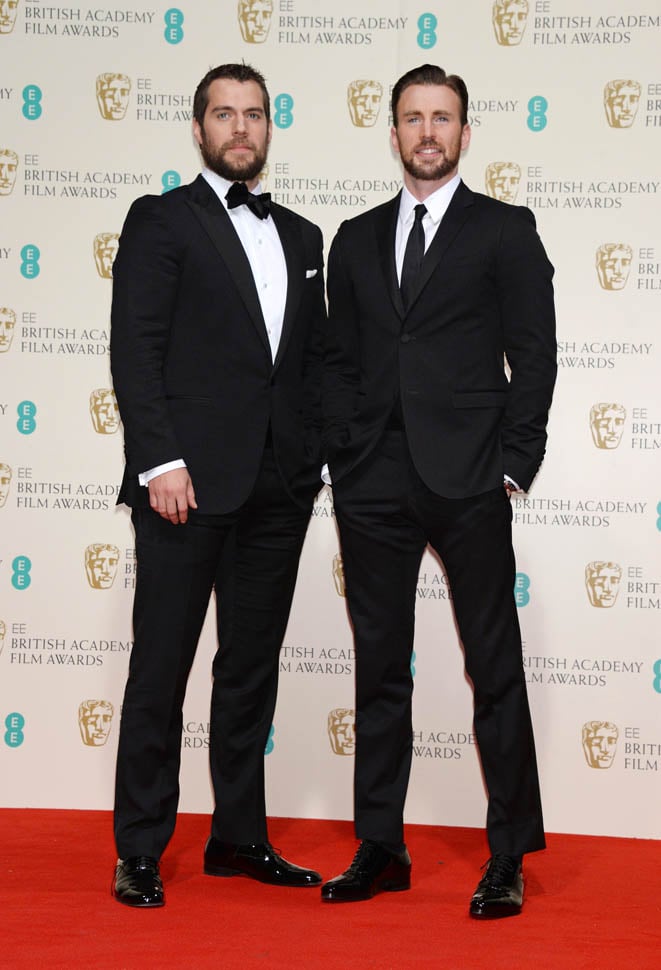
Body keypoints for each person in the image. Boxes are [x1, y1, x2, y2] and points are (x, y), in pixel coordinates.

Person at [321, 64, 556, 918]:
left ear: (464, 132)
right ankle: (380, 844)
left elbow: (535, 355)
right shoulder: (352, 238)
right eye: (413, 118)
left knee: (493, 665)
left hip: (468, 479)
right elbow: (335, 362)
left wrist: (512, 462)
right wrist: (338, 458)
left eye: (442, 118)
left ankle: (507, 855)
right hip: (371, 481)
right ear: (392, 134)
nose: (427, 132)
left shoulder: (504, 230)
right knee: (380, 668)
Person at [109, 62, 326, 908]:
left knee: (249, 672)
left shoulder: (304, 238)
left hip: (277, 490)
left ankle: (238, 836)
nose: (240, 128)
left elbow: (309, 369)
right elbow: (136, 346)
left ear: (270, 128)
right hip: (185, 488)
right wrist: (158, 462)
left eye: (255, 114)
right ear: (197, 129)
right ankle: (138, 848)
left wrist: (310, 466)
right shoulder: (161, 220)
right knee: (160, 671)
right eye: (223, 114)